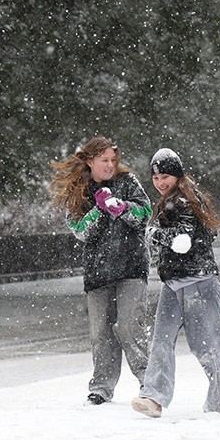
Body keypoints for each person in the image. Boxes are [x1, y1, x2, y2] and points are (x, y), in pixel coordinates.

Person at [131, 148, 220, 418]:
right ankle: (153, 397)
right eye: (156, 178)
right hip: (174, 283)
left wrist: (152, 232)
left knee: (206, 343)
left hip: (198, 282)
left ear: (177, 175)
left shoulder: (183, 201)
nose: (160, 183)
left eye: (165, 176)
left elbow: (183, 240)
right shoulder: (174, 200)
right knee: (161, 340)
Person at [49, 136, 152, 406]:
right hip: (98, 272)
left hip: (131, 266)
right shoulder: (79, 192)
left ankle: (150, 383)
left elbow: (145, 213)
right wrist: (98, 209)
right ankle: (101, 388)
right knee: (100, 333)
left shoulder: (128, 183)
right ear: (90, 161)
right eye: (104, 160)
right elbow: (80, 231)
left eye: (113, 160)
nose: (110, 165)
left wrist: (121, 207)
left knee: (129, 326)